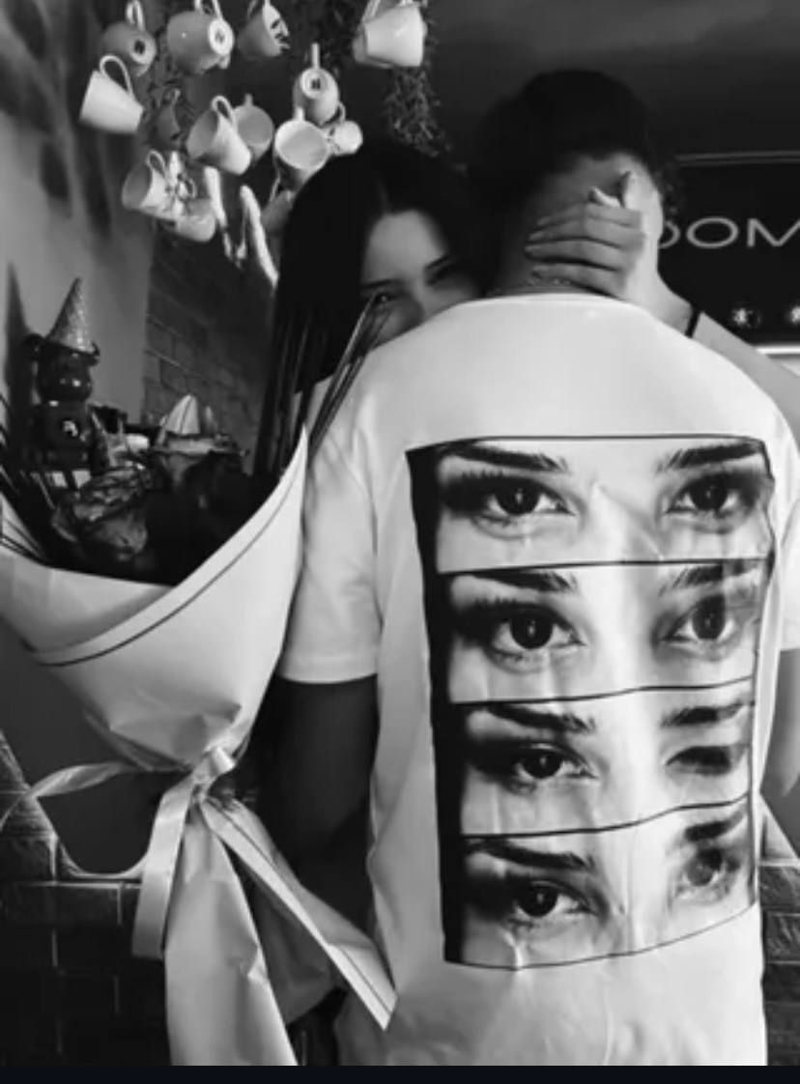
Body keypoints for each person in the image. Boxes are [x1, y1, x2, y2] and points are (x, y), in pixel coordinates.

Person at [264, 69, 800, 1065]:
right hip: (707, 1027)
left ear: (487, 219)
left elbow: (318, 797)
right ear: (639, 205)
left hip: (459, 1028)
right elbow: (776, 763)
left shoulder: (369, 405)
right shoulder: (754, 418)